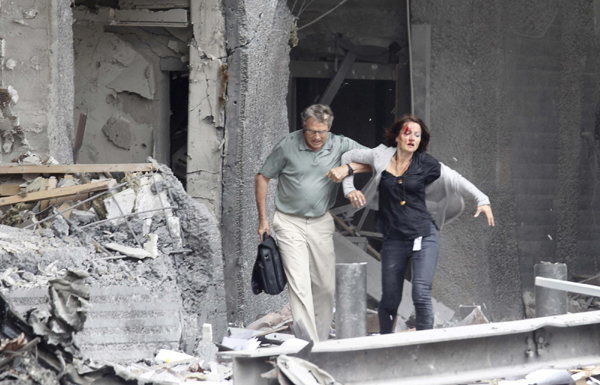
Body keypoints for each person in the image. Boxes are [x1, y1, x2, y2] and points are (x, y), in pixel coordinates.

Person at [332, 115, 494, 333]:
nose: (412, 138)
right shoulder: (380, 155)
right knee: (390, 299)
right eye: (408, 133)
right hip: (394, 238)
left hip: (424, 234)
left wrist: (482, 200)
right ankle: (387, 345)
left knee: (421, 292)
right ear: (397, 136)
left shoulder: (426, 163)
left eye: (417, 135)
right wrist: (349, 188)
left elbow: (456, 179)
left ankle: (424, 345)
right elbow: (348, 155)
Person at [255, 104, 370, 342]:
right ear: (303, 128)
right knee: (299, 285)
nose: (317, 137)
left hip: (320, 221)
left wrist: (347, 168)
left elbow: (377, 160)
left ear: (329, 128)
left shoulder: (340, 144)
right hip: (288, 221)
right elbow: (262, 177)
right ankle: (309, 344)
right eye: (311, 131)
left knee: (325, 287)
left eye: (322, 131)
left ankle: (320, 341)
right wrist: (263, 219)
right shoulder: (288, 145)